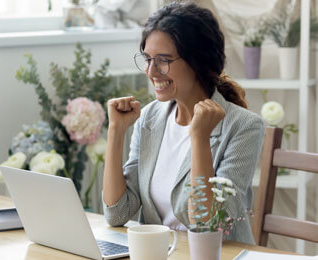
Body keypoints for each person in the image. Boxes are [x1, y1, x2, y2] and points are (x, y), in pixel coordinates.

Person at [102, 1, 265, 244]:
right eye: (147, 59)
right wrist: (115, 131)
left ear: (198, 62)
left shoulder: (244, 126)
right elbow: (117, 213)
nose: (151, 71)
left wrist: (199, 138)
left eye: (164, 60)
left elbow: (207, 223)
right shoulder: (149, 117)